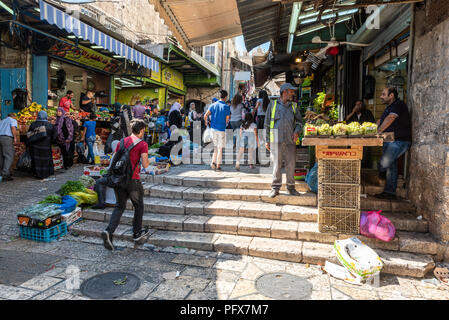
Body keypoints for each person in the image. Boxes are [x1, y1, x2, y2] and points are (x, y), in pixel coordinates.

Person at [101, 119, 151, 250]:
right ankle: (137, 233)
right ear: (141, 131)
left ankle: (109, 231)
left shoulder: (122, 141)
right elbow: (146, 165)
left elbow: (115, 157)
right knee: (138, 206)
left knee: (119, 206)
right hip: (132, 180)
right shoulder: (143, 144)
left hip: (118, 179)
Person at [264, 83, 303, 198]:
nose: (293, 94)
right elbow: (266, 124)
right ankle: (275, 188)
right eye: (291, 91)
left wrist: (296, 131)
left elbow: (300, 122)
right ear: (285, 92)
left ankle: (291, 187)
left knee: (291, 165)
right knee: (276, 165)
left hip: (290, 141)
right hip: (276, 140)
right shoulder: (273, 105)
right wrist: (267, 140)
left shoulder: (294, 106)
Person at [375, 87, 412, 200]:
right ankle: (390, 192)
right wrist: (371, 129)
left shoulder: (398, 104)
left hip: (399, 140)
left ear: (391, 96)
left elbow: (391, 118)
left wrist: (379, 131)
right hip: (390, 140)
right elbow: (380, 121)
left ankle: (388, 188)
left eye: (383, 94)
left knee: (384, 163)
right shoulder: (389, 107)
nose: (381, 96)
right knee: (391, 166)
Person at [203, 90, 231, 171]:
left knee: (215, 147)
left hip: (213, 129)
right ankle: (218, 166)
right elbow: (227, 119)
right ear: (226, 97)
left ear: (219, 96)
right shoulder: (226, 107)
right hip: (221, 129)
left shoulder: (213, 105)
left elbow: (205, 115)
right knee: (220, 148)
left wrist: (206, 122)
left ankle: (213, 162)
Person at [27, 111, 57, 179]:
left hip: (35, 147)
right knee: (45, 160)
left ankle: (37, 173)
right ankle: (45, 173)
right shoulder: (50, 125)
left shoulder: (33, 124)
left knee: (36, 160)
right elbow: (54, 136)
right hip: (46, 146)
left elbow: (29, 134)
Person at [92, 140, 120, 210]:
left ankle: (101, 203)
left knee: (99, 181)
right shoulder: (121, 154)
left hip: (115, 178)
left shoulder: (116, 155)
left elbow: (111, 169)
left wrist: (104, 173)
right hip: (119, 177)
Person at [0, 113, 19, 181]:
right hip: (7, 138)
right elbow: (13, 128)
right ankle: (5, 174)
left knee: (1, 156)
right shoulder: (12, 120)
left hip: (0, 138)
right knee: (9, 156)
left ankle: (1, 172)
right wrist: (15, 138)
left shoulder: (2, 121)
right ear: (13, 116)